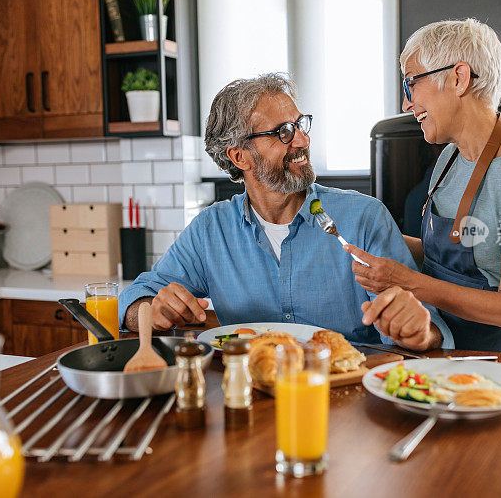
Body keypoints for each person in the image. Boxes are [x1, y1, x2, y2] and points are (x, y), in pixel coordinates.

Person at [118, 73, 453, 351]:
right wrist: (150, 310)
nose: (302, 140)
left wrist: (418, 331)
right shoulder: (210, 230)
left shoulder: (363, 218)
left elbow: (428, 327)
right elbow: (133, 297)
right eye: (283, 133)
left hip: (347, 399)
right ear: (239, 157)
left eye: (299, 125)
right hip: (249, 399)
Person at [344, 19, 501, 355]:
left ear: (458, 78)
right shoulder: (450, 157)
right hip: (445, 348)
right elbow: (446, 257)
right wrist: (371, 235)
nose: (407, 104)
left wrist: (407, 282)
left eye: (411, 84)